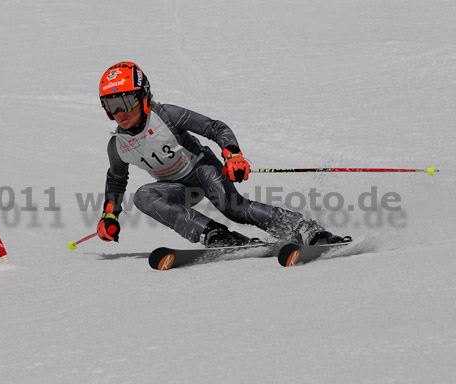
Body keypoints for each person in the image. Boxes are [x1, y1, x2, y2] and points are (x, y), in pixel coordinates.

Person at [96, 61, 350, 247]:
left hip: (202, 169)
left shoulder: (166, 116)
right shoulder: (118, 145)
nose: (120, 112)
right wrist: (110, 216)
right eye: (111, 105)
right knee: (144, 196)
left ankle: (305, 229)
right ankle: (215, 234)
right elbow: (117, 181)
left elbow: (215, 127)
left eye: (126, 101)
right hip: (178, 188)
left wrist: (233, 155)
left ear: (144, 96)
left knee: (232, 207)